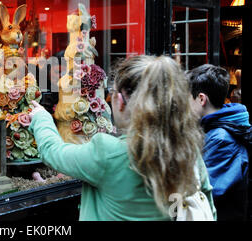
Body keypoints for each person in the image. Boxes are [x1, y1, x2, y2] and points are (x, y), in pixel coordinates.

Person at [28, 55, 216, 220]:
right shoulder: (187, 150)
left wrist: (41, 118)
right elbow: (207, 205)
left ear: (120, 101)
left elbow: (54, 152)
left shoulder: (109, 153)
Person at [187, 64, 250, 221]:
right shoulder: (217, 129)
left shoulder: (221, 139)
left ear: (201, 99)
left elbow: (206, 190)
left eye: (188, 99)